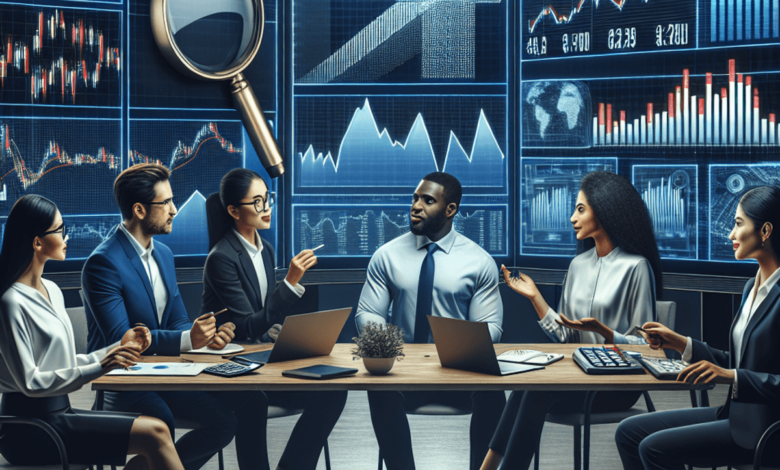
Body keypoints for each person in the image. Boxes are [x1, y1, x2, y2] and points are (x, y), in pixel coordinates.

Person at [81, 163, 265, 470]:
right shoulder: (103, 263)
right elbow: (121, 341)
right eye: (165, 202)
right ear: (139, 210)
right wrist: (185, 339)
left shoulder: (163, 254)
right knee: (161, 420)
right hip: (125, 381)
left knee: (242, 406)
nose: (174, 209)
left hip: (167, 374)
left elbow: (178, 321)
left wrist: (203, 338)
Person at [481, 171, 663, 470]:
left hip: (616, 384)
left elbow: (647, 348)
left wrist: (606, 333)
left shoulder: (637, 267)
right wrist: (535, 297)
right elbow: (567, 337)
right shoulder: (577, 265)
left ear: (604, 210)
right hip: (577, 376)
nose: (571, 218)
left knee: (537, 391)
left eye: (580, 209)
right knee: (528, 386)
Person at [0, 194, 184, 470]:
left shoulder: (52, 290)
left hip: (60, 415)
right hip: (29, 429)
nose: (67, 236)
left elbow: (63, 363)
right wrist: (99, 367)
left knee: (157, 431)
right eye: (60, 230)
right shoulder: (10, 302)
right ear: (37, 242)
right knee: (155, 433)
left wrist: (116, 349)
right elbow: (31, 383)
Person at [615, 185, 780, 470]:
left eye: (739, 224)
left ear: (765, 231)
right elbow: (737, 363)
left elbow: (736, 373)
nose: (731, 234)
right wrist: (680, 343)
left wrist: (732, 376)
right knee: (628, 432)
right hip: (733, 415)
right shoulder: (749, 289)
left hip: (763, 433)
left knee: (653, 449)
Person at [355, 172, 507, 470]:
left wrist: (455, 349)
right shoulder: (386, 256)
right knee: (379, 388)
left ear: (450, 209)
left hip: (459, 373)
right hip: (405, 372)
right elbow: (368, 313)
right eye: (415, 198)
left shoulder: (479, 262)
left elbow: (491, 327)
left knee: (493, 392)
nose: (416, 206)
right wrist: (390, 347)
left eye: (428, 200)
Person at [200, 168, 347, 469]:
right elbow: (247, 325)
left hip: (262, 359)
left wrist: (277, 331)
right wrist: (291, 282)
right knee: (253, 401)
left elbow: (263, 318)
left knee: (334, 391)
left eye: (267, 199)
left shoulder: (265, 249)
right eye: (256, 202)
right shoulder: (221, 257)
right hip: (232, 363)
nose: (266, 208)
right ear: (233, 210)